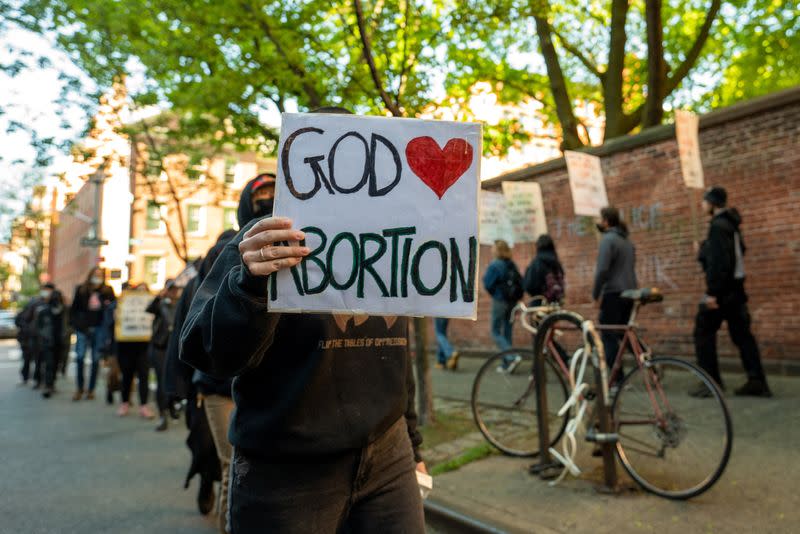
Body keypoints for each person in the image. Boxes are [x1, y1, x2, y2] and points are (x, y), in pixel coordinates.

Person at [180, 109, 426, 534]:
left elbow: (397, 354)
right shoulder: (260, 242)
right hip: (285, 468)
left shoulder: (388, 242)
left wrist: (413, 442)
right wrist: (248, 285)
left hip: (388, 455)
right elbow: (206, 351)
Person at [692, 186, 771, 398]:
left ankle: (711, 382)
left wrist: (712, 294)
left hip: (723, 292)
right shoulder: (732, 225)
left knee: (703, 332)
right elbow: (737, 253)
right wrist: (705, 249)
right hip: (736, 290)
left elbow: (720, 264)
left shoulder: (717, 226)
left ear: (713, 204)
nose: (703, 205)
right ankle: (757, 380)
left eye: (705, 201)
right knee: (743, 336)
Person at [592, 206, 637, 376]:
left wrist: (596, 294)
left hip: (613, 293)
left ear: (605, 221)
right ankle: (649, 362)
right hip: (629, 292)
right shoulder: (627, 241)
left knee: (608, 334)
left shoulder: (608, 240)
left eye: (598, 219)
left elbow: (602, 270)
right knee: (625, 333)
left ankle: (616, 379)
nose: (597, 222)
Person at [70, 267, 116, 400]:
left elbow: (112, 309)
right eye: (95, 274)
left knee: (96, 359)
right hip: (83, 329)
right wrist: (77, 325)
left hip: (100, 329)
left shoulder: (107, 291)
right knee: (80, 357)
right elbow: (74, 310)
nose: (97, 277)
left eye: (100, 275)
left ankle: (91, 389)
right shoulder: (81, 290)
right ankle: (79, 388)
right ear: (90, 275)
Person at [483, 239, 523, 372]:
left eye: (493, 248)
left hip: (500, 301)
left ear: (498, 250)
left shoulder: (495, 265)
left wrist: (496, 293)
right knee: (507, 332)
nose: (491, 250)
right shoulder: (511, 264)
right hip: (512, 302)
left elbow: (487, 283)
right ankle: (507, 364)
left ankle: (512, 356)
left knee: (495, 331)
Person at [116, 282, 155, 418]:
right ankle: (125, 403)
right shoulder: (119, 305)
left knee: (143, 376)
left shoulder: (153, 305)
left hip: (143, 347)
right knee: (127, 376)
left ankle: (144, 405)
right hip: (125, 347)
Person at [147, 279, 180, 431]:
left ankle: (172, 405)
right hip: (159, 347)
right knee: (162, 381)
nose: (174, 292)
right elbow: (149, 309)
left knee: (175, 379)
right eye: (171, 289)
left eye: (175, 289)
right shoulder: (160, 304)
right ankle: (162, 414)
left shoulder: (181, 303)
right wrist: (159, 296)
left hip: (175, 347)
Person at [33, 283, 66, 398]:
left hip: (59, 341)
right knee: (48, 363)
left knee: (56, 363)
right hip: (47, 341)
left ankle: (51, 384)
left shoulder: (61, 309)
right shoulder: (41, 307)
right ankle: (46, 385)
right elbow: (38, 326)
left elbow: (65, 323)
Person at [524, 234, 565, 305]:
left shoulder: (537, 262)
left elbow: (529, 285)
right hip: (555, 301)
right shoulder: (556, 262)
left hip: (540, 301)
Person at [15, 294, 42, 386]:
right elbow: (18, 322)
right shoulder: (25, 314)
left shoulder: (36, 315)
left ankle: (34, 379)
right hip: (27, 340)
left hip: (33, 340)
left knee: (34, 360)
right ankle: (30, 378)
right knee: (30, 360)